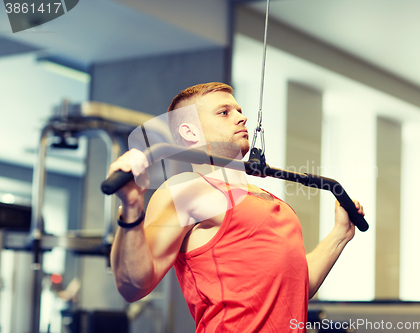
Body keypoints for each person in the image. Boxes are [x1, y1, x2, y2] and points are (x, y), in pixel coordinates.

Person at [108, 82, 364, 332]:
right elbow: (132, 286)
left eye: (239, 111)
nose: (241, 118)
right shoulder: (186, 188)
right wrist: (131, 206)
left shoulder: (269, 200)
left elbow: (296, 288)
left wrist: (339, 236)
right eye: (224, 112)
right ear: (190, 132)